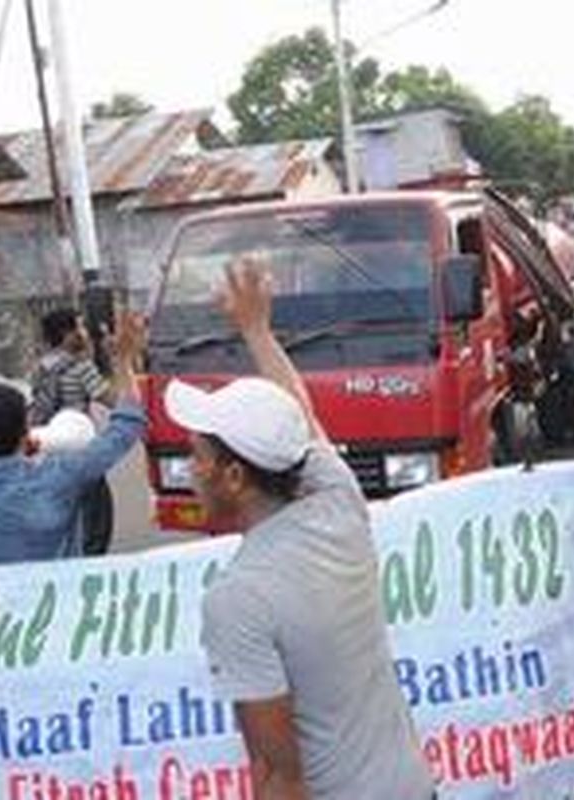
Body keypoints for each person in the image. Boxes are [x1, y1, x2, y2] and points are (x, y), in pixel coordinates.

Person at [166, 258, 433, 799]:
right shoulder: (337, 498)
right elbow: (299, 415)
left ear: (235, 475)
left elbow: (279, 774)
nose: (189, 470)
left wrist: (255, 330)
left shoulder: (239, 597)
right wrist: (257, 332)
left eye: (198, 457)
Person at [0, 311, 147, 566]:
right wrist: (124, 361)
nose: (83, 332)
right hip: (73, 452)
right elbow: (125, 420)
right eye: (79, 327)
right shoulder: (58, 479)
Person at [30, 307, 117, 554]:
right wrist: (115, 361)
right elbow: (112, 400)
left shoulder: (41, 367)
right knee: (97, 520)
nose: (84, 333)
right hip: (80, 450)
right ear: (66, 334)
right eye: (79, 327)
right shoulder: (81, 367)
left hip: (50, 452)